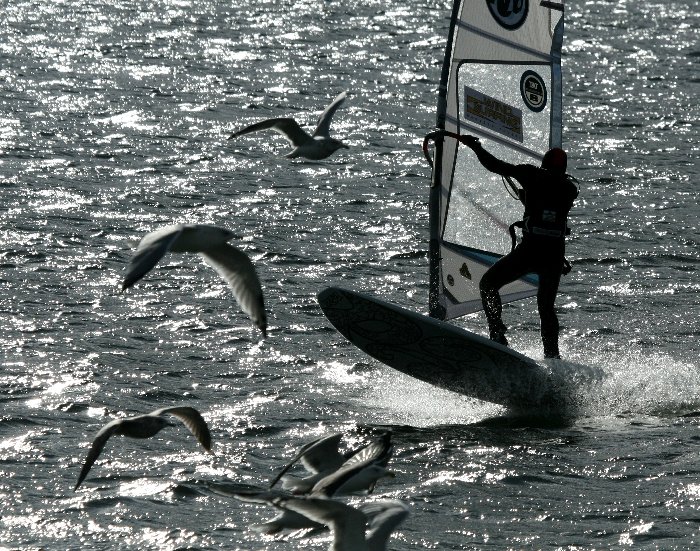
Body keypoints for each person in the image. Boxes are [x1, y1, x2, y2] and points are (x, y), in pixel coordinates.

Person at [460, 135, 579, 359]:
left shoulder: (531, 174)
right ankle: (552, 356)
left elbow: (494, 165)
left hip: (531, 252)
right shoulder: (569, 189)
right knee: (546, 308)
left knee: (487, 284)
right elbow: (548, 204)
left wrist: (476, 147)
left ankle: (497, 332)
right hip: (553, 256)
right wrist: (529, 199)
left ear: (543, 165)